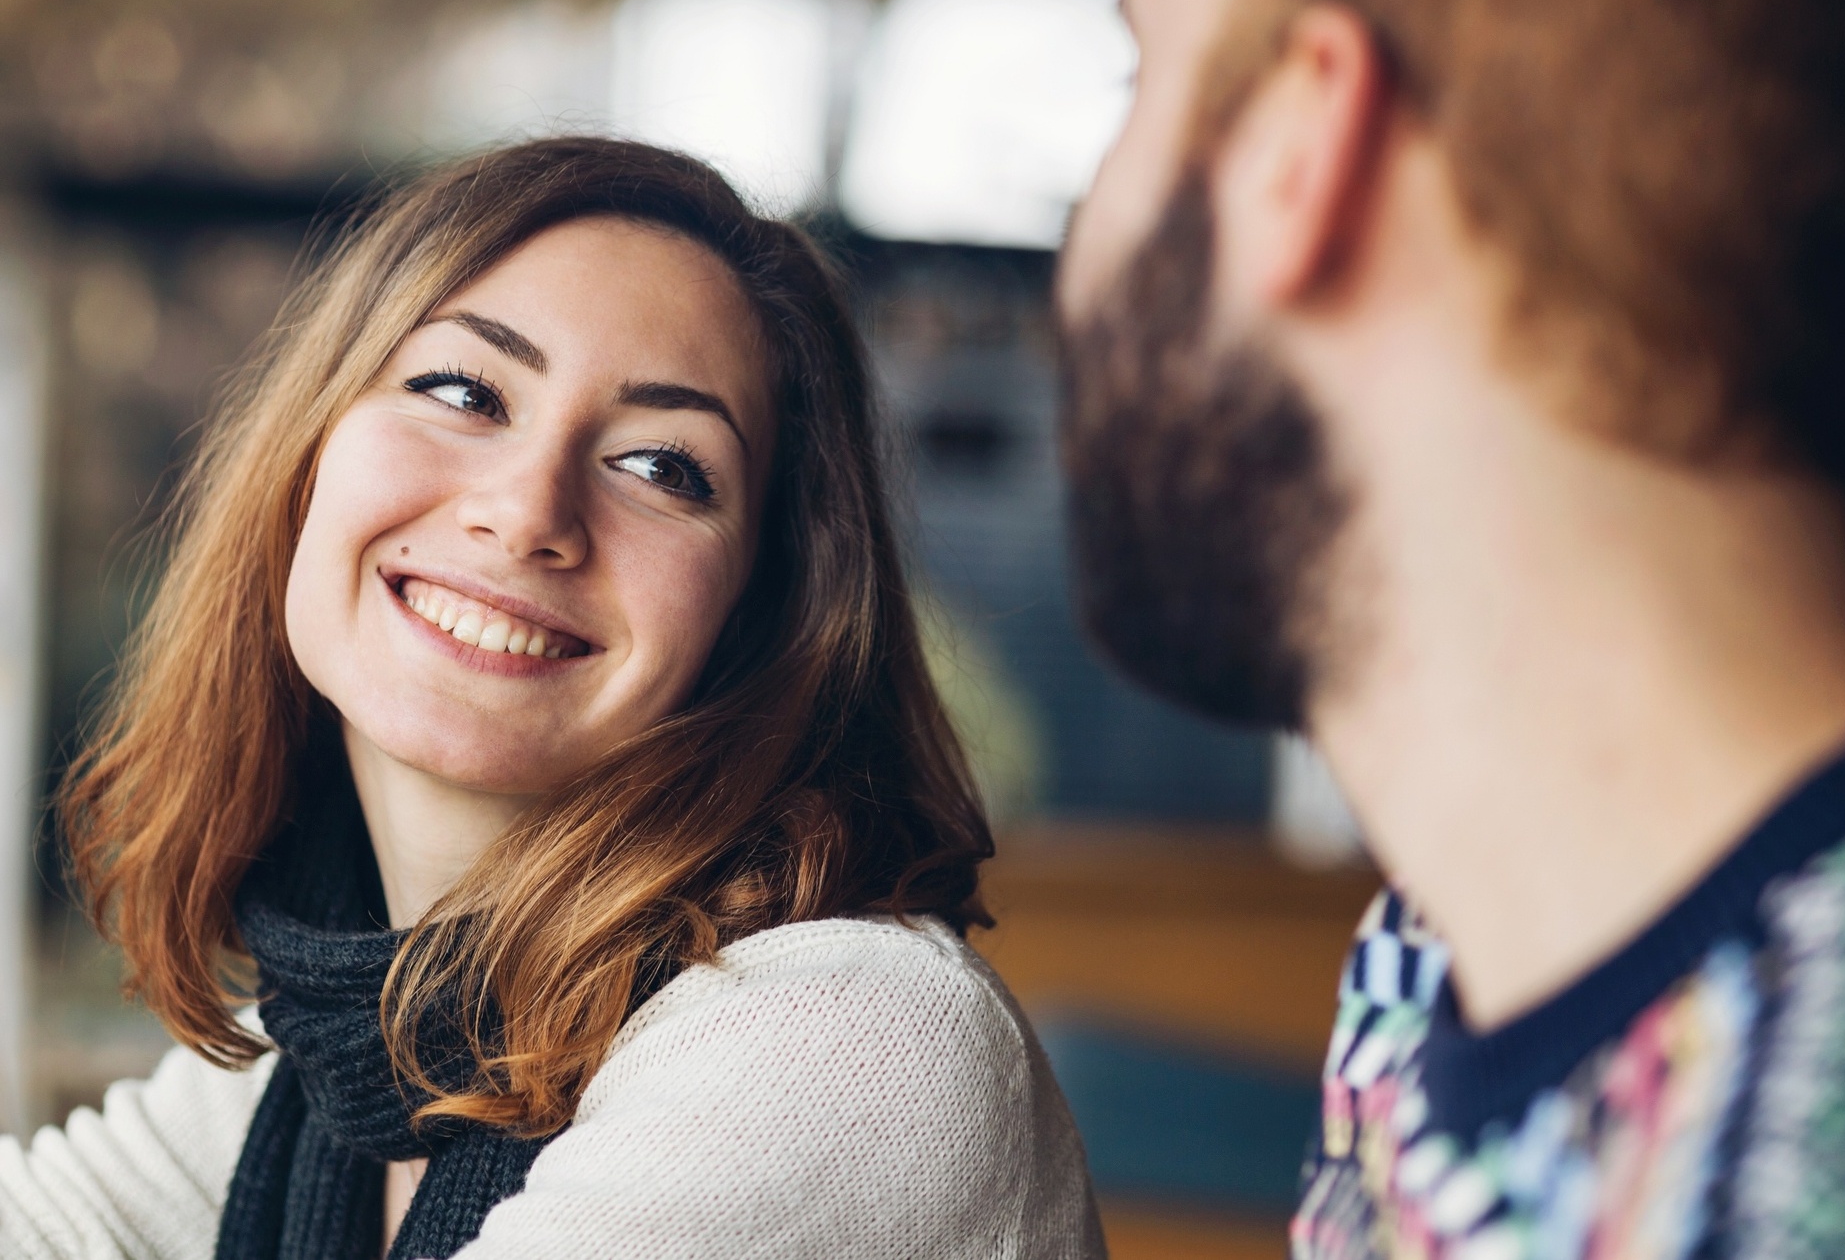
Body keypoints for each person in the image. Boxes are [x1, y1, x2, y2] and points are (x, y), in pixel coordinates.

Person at [4, 137, 1101, 1260]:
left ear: (763, 621)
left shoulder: (851, 1041)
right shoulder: (339, 1057)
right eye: (461, 390)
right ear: (306, 462)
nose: (527, 508)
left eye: (661, 466)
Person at [1057, 0, 1845, 1254]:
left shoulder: (1791, 1178)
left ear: (1300, 147)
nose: (1080, 233)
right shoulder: (1440, 962)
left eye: (1141, 86)